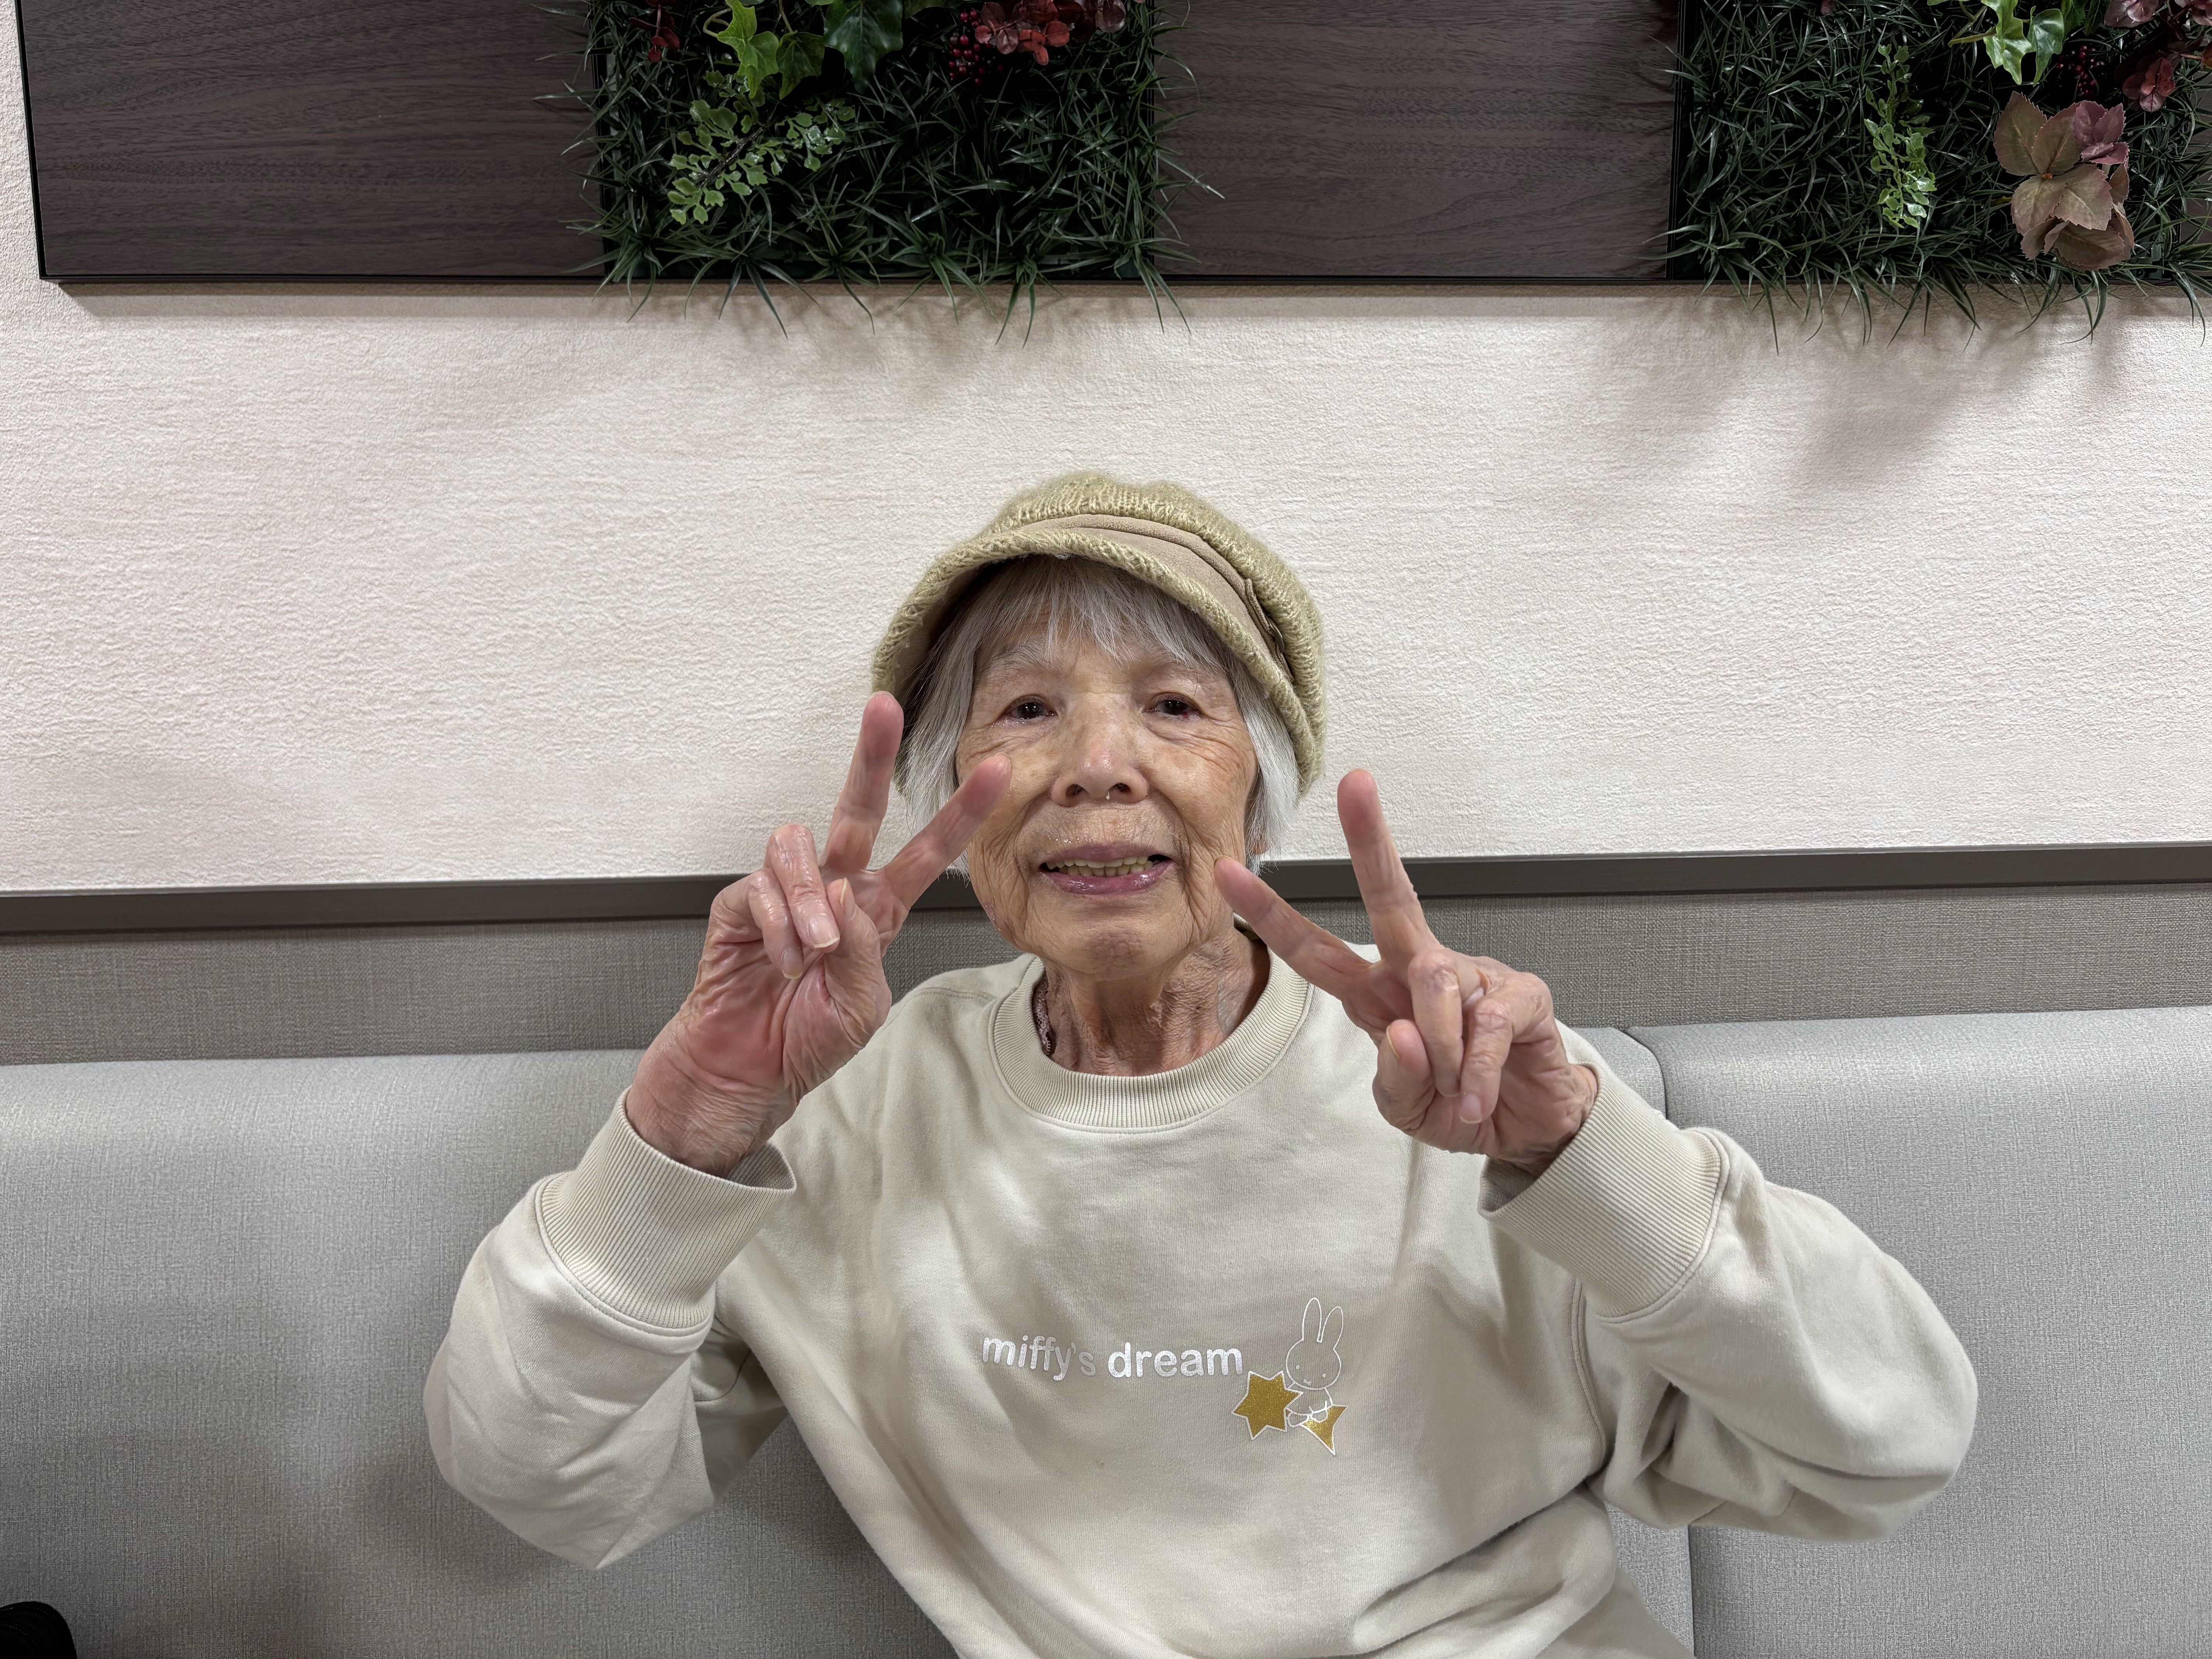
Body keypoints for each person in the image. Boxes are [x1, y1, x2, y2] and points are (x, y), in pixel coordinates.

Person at [426, 474, 1977, 1658]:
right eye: (1027, 709)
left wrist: (1579, 1150)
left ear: (1262, 791)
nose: (1099, 764)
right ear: (954, 796)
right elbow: (543, 1482)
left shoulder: (1465, 1083)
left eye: (1173, 706)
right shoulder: (861, 1110)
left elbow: (1891, 1442)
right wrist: (689, 1123)